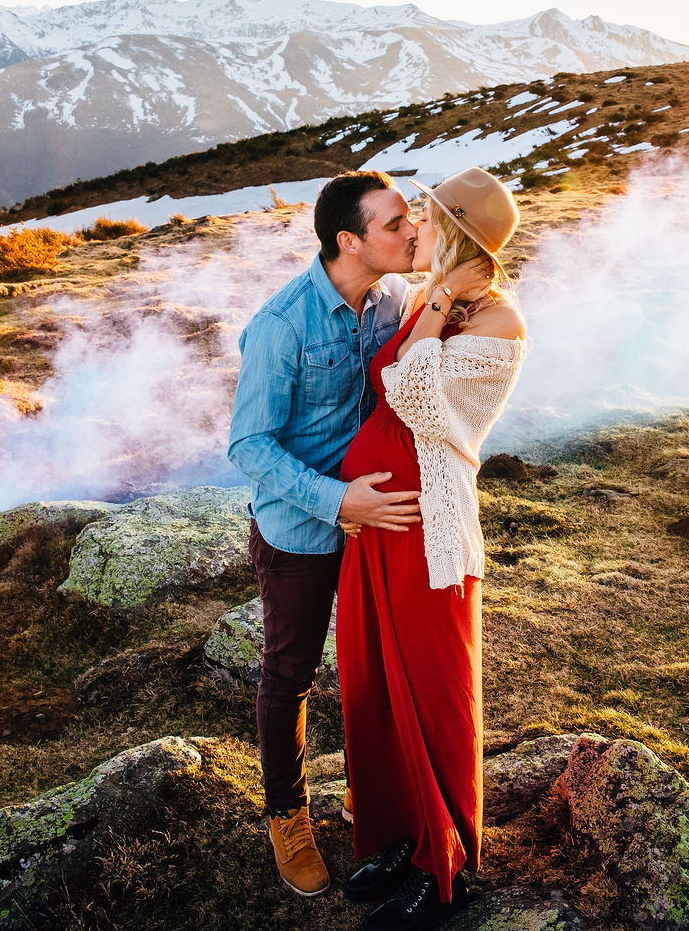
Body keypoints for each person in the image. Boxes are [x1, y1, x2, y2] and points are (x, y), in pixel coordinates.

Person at [335, 167, 529, 931]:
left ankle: (440, 859)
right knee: (377, 678)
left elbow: (412, 395)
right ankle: (394, 832)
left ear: (457, 230)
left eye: (430, 212)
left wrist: (442, 299)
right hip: (381, 518)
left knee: (433, 689)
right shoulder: (434, 300)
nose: (418, 219)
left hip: (430, 527)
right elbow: (391, 374)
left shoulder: (498, 320)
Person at [227, 170, 426, 898]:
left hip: (378, 526)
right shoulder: (282, 325)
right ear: (349, 241)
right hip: (300, 529)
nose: (412, 232)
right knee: (290, 675)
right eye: (396, 223)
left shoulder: (396, 296)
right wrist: (339, 501)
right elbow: (248, 444)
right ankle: (286, 811)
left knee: (375, 666)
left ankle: (375, 795)